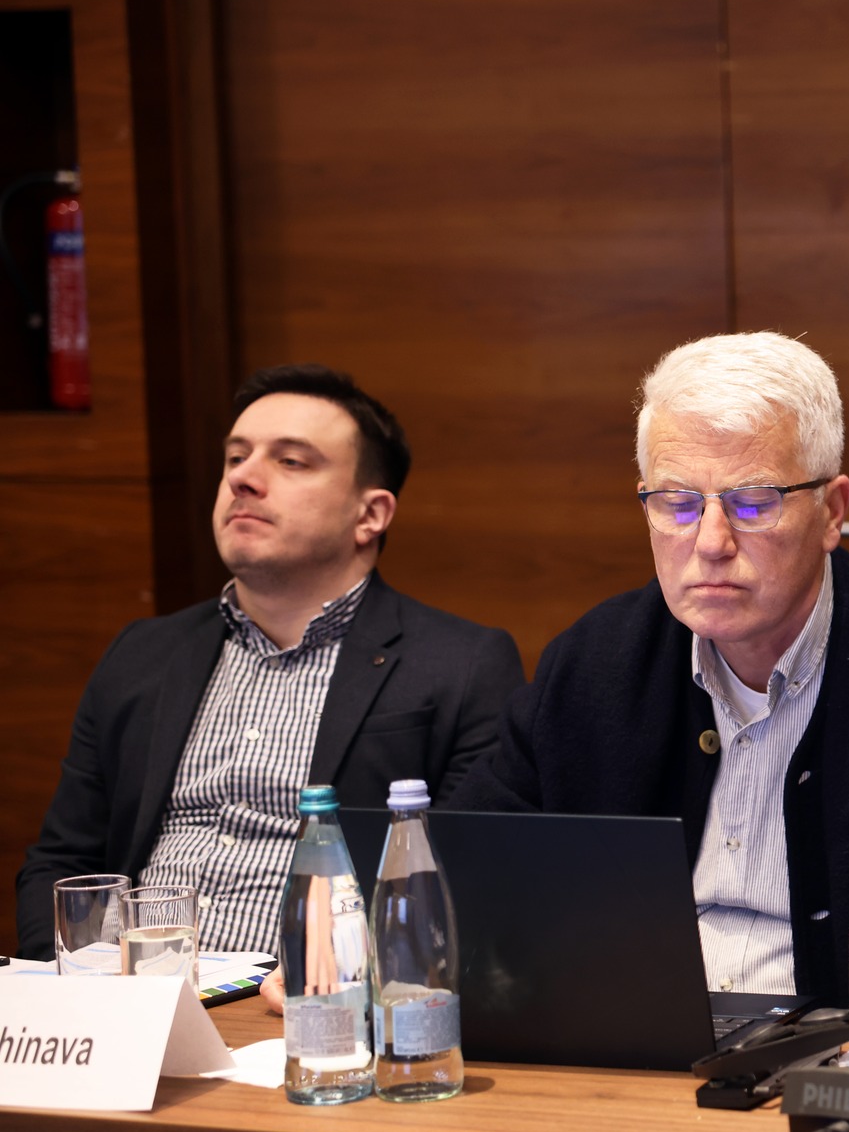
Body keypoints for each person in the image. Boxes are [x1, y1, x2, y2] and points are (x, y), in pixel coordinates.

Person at [451, 331, 849, 1024]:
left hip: (840, 1067)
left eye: (753, 502)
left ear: (832, 511)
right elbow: (470, 883)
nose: (711, 542)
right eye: (677, 502)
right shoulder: (593, 666)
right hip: (625, 1054)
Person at [17, 365, 525, 961]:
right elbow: (62, 861)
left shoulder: (462, 665)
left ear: (370, 515)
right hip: (129, 990)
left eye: (291, 461)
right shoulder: (144, 653)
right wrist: (71, 981)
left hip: (310, 997)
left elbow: (467, 887)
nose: (243, 478)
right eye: (236, 457)